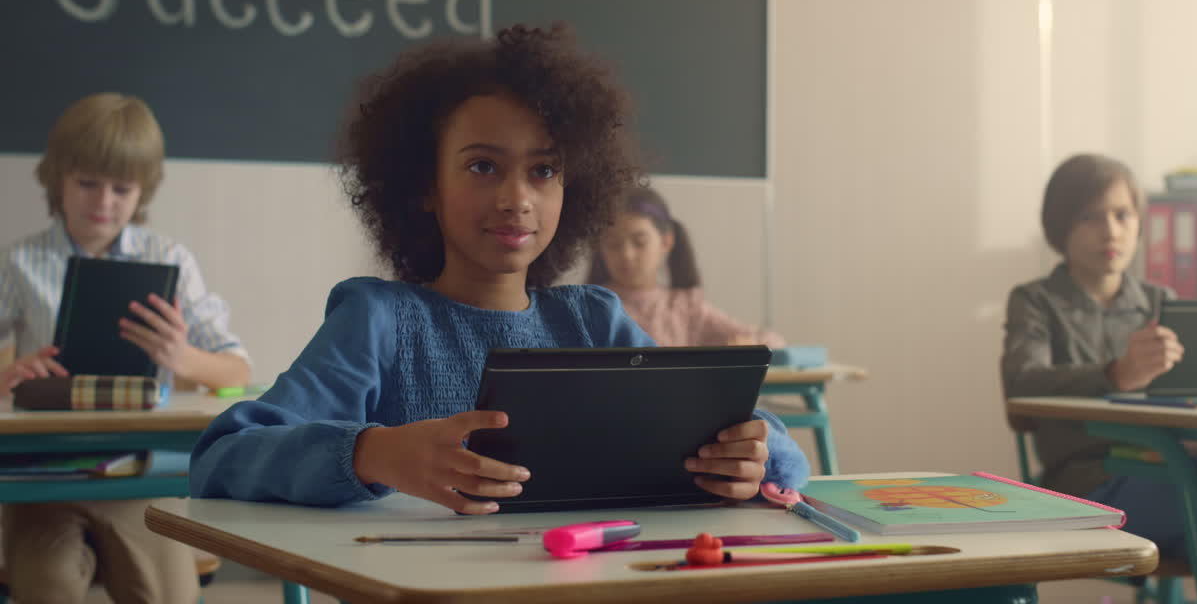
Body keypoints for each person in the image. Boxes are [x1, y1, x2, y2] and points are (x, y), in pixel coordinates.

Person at [189, 25, 809, 513]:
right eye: (483, 166)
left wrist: (753, 460)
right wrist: (369, 453)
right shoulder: (379, 320)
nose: (517, 198)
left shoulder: (593, 321)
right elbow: (221, 456)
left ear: (576, 186)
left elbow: (774, 452)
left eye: (543, 170)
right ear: (423, 184)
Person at [0, 92, 251, 604]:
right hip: (44, 476)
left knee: (169, 597)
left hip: (142, 473)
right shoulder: (19, 262)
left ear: (143, 192)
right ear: (58, 180)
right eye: (87, 183)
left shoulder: (170, 259)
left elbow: (237, 368)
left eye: (122, 188)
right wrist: (8, 375)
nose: (104, 202)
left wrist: (182, 358)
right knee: (45, 589)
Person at [1000, 152, 1197, 601]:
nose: (1111, 230)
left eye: (1122, 214)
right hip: (1086, 485)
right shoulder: (1035, 301)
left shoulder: (1159, 300)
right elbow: (1022, 384)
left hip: (1174, 470)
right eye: (1091, 217)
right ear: (1060, 226)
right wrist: (1115, 374)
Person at [586, 186, 785, 348]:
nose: (627, 255)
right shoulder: (589, 305)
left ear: (666, 242)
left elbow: (773, 342)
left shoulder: (686, 308)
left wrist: (748, 345)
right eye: (613, 244)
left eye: (639, 242)